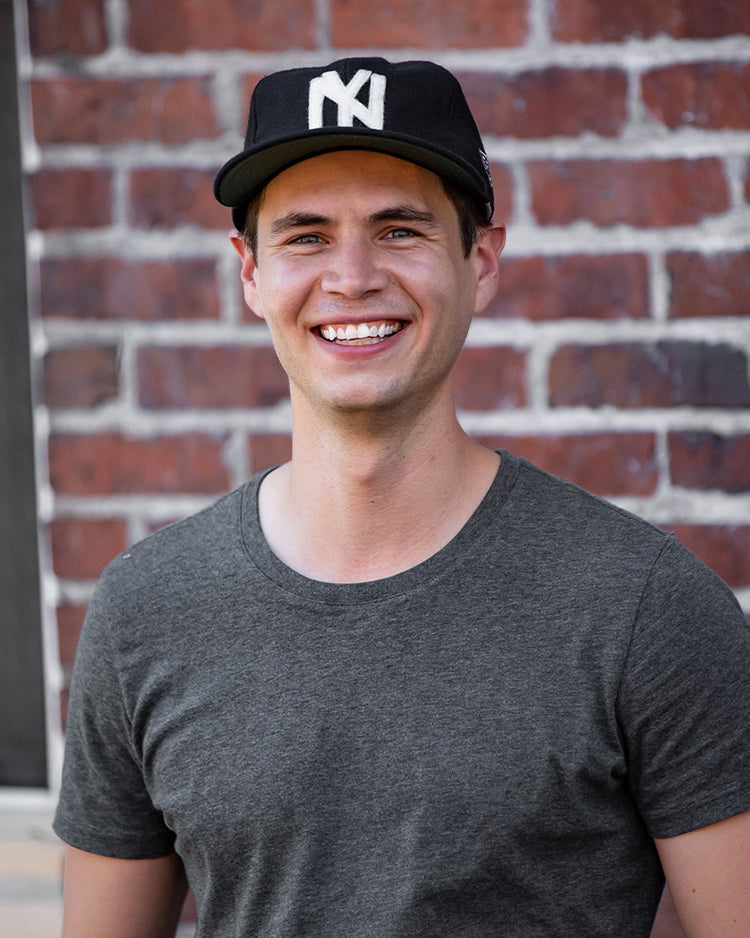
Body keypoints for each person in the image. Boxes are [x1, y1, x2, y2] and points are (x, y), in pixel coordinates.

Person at [54, 57, 750, 937]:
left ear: (482, 261)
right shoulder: (146, 610)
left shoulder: (644, 607)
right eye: (305, 235)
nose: (351, 277)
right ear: (250, 274)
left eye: (399, 230)